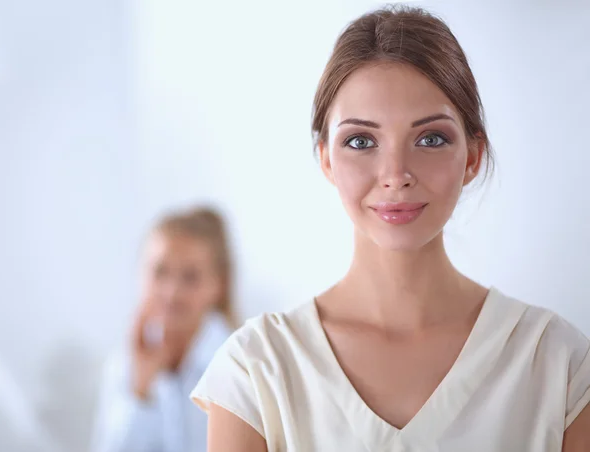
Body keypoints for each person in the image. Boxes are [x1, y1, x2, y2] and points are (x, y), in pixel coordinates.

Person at [190, 5, 590, 451]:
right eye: (360, 141)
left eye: (430, 139)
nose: (395, 173)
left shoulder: (558, 365)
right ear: (325, 158)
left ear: (473, 157)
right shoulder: (256, 369)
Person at [92, 207, 237, 452]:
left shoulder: (238, 366)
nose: (172, 292)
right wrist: (140, 392)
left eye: (190, 277)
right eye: (160, 272)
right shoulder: (123, 365)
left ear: (219, 285)